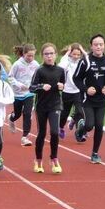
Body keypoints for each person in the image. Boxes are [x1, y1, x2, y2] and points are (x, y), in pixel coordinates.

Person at [73, 34, 105, 164]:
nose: (98, 47)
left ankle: (95, 153)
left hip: (102, 99)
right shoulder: (85, 61)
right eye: (96, 44)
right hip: (88, 99)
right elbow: (76, 78)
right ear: (91, 46)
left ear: (104, 46)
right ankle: (81, 128)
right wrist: (86, 89)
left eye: (101, 44)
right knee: (90, 125)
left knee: (99, 125)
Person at [29, 44, 66, 174]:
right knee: (42, 133)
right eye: (46, 54)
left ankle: (54, 158)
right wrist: (41, 86)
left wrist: (62, 86)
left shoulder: (61, 71)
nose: (49, 56)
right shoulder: (39, 71)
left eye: (51, 53)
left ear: (56, 54)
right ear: (42, 56)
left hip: (55, 104)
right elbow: (31, 87)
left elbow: (63, 85)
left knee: (55, 132)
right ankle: (38, 160)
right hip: (41, 106)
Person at [7, 44, 39, 145]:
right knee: (17, 114)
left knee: (27, 113)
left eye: (33, 56)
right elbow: (10, 77)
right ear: (24, 54)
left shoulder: (35, 64)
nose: (30, 58)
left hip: (29, 93)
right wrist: (20, 85)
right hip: (17, 93)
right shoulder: (17, 64)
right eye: (28, 55)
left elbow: (39, 75)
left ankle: (25, 137)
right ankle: (11, 118)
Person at [58, 43, 85, 134]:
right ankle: (61, 127)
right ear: (70, 53)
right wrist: (67, 54)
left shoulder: (82, 62)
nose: (76, 56)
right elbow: (61, 67)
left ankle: (80, 132)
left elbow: (89, 59)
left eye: (78, 54)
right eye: (74, 54)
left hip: (78, 91)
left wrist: (83, 51)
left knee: (80, 112)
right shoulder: (66, 61)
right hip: (66, 91)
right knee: (64, 114)